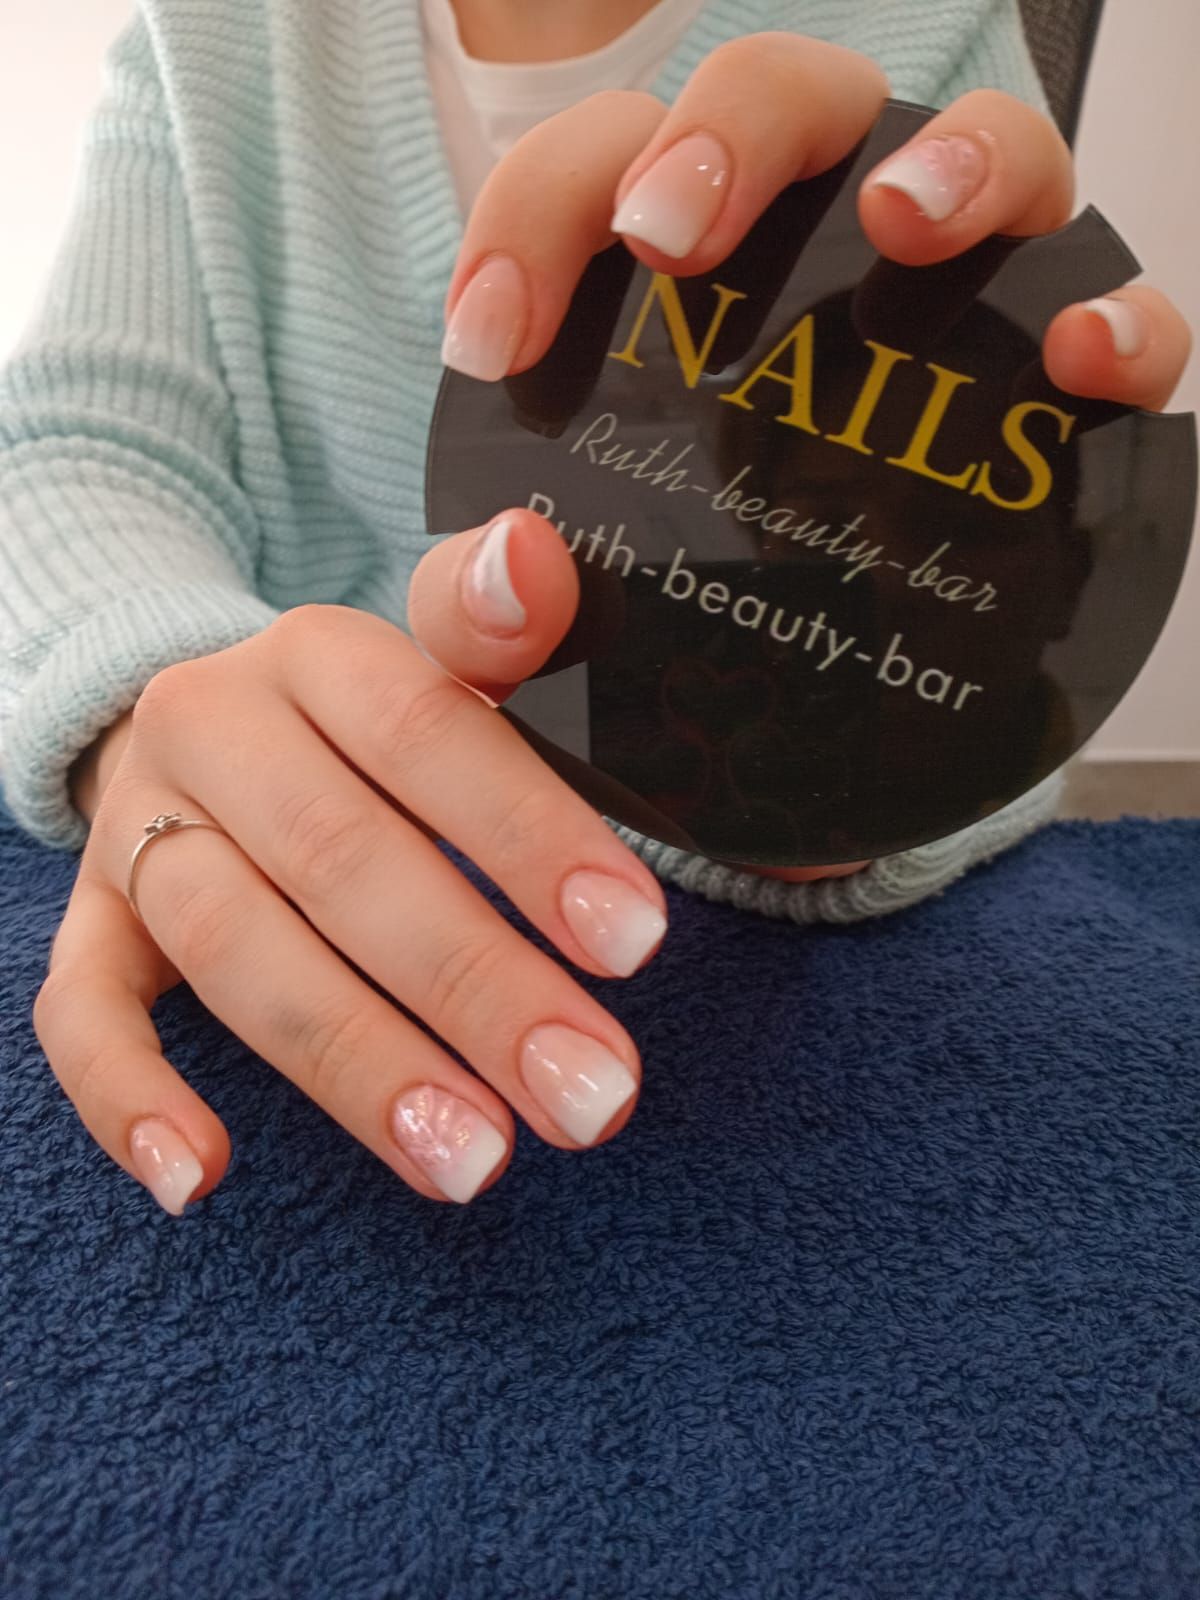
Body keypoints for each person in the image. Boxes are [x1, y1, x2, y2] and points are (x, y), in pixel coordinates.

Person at [0, 0, 1190, 1216]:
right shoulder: (216, 31)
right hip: (241, 873)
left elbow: (996, 545)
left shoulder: (928, 19)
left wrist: (850, 772)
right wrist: (161, 708)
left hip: (733, 927)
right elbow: (79, 449)